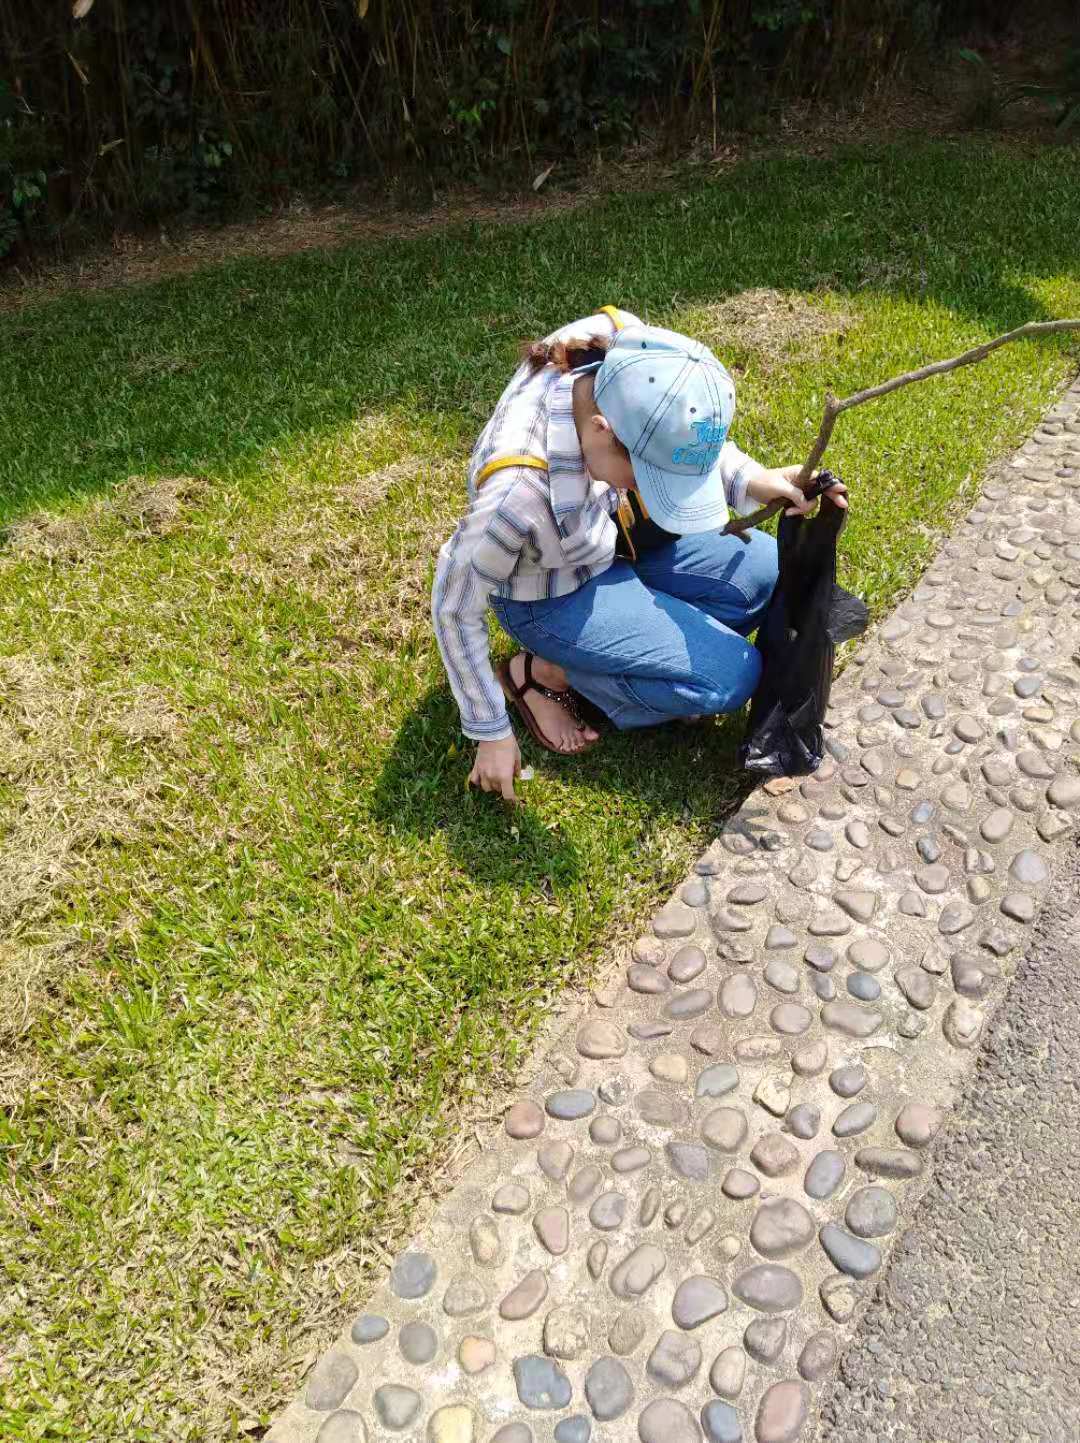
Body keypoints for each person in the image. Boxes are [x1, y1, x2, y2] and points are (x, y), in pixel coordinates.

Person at [432, 306, 848, 802]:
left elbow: (680, 430)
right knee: (728, 679)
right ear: (603, 430)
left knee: (768, 570)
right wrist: (490, 732)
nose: (652, 490)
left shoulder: (628, 349)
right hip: (551, 591)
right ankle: (545, 672)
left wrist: (753, 480)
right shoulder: (516, 497)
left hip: (620, 539)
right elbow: (454, 606)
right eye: (649, 477)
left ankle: (631, 645)